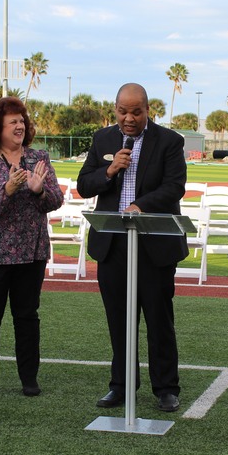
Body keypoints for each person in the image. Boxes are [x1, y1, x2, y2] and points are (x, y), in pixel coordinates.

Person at [76, 83, 188, 412]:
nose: (128, 118)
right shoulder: (103, 140)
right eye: (122, 112)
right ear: (115, 109)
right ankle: (121, 385)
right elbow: (84, 184)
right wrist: (109, 170)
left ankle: (165, 388)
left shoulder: (169, 141)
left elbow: (174, 187)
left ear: (147, 110)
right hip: (113, 245)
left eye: (136, 112)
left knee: (158, 319)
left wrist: (141, 206)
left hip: (153, 246)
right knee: (119, 320)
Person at [0, 96, 64, 399]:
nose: (19, 125)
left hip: (30, 252)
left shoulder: (38, 157)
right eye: (13, 121)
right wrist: (7, 189)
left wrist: (37, 192)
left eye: (22, 120)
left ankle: (29, 378)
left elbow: (56, 199)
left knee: (27, 316)